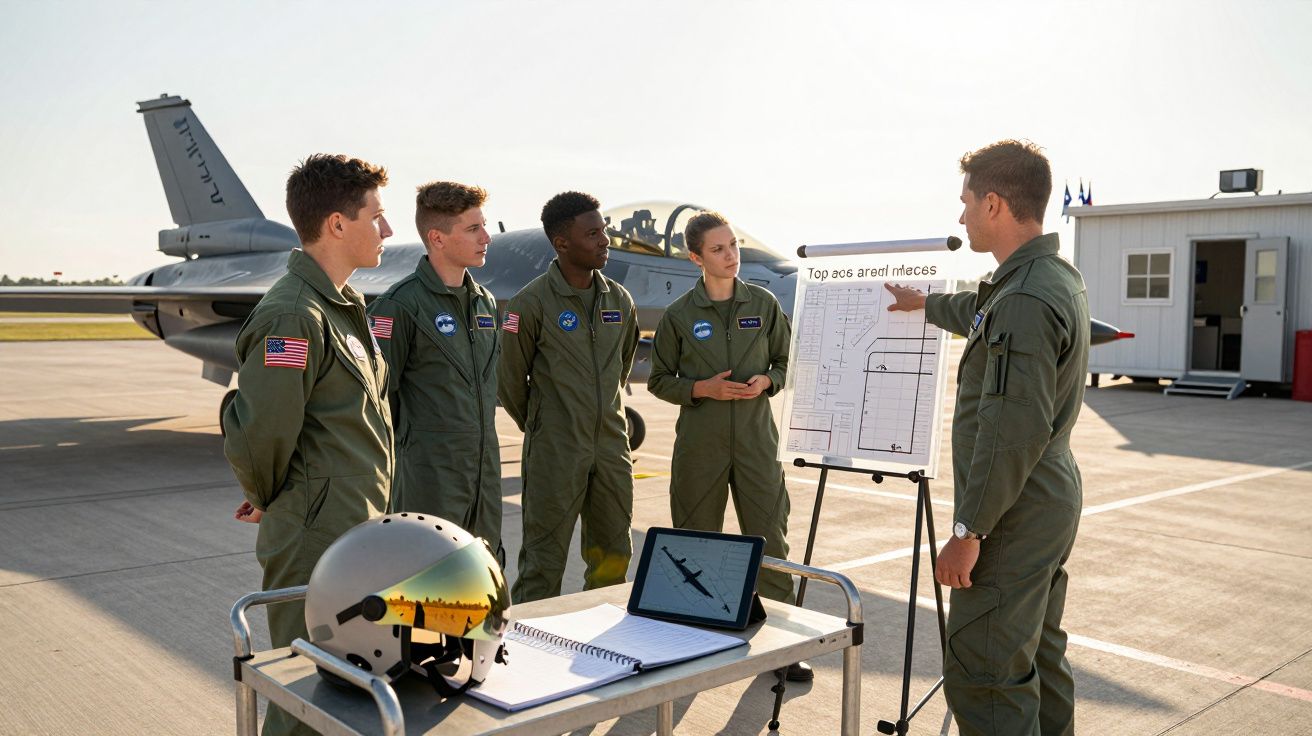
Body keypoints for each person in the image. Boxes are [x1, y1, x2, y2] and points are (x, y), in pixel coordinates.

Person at [885, 140, 1090, 736]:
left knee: (987, 671)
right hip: (1044, 499)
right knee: (1037, 655)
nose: (962, 215)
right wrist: (925, 306)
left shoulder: (1023, 298)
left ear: (994, 204)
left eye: (967, 202)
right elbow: (981, 311)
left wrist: (967, 533)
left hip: (1012, 511)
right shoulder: (1044, 278)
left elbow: (1012, 432)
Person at [222, 154, 394, 736]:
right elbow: (262, 430)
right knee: (305, 697)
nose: (388, 230)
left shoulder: (342, 309)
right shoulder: (294, 315)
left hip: (351, 528)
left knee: (345, 689)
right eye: (377, 215)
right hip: (314, 536)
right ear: (338, 225)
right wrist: (273, 497)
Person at [646, 211, 811, 679]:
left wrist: (768, 381)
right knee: (698, 541)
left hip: (758, 441)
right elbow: (659, 380)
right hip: (701, 446)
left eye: (733, 245)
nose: (731, 256)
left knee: (769, 541)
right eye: (718, 249)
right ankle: (697, 642)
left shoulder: (763, 303)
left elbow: (786, 361)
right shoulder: (680, 316)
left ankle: (779, 650)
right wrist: (701, 389)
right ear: (696, 257)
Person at [497, 190, 640, 603]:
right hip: (555, 451)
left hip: (612, 449)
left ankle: (601, 647)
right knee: (543, 563)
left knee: (614, 557)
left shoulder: (620, 300)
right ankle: (525, 654)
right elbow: (510, 382)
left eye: (604, 231)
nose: (605, 241)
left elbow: (621, 366)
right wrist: (547, 426)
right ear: (562, 243)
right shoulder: (530, 304)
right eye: (592, 233)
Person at [367, 181, 503, 559]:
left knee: (483, 574)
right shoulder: (398, 307)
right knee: (425, 578)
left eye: (484, 225)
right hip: (429, 480)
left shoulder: (485, 303)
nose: (486, 237)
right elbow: (376, 402)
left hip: (483, 478)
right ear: (437, 238)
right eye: (473, 229)